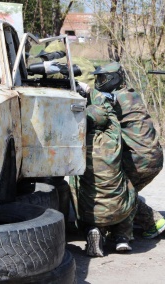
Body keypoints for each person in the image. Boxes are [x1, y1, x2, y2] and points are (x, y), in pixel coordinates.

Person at [89, 61, 165, 239]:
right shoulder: (130, 94)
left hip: (140, 159)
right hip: (151, 156)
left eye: (103, 78)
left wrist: (87, 92)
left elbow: (97, 112)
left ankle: (153, 222)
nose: (100, 81)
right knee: (126, 189)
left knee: (116, 190)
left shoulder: (120, 98)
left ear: (115, 79)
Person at [69, 89, 137, 257]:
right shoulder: (113, 139)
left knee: (75, 182)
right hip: (118, 210)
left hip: (91, 212)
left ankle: (92, 230)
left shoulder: (79, 144)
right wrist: (94, 93)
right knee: (130, 190)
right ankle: (122, 237)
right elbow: (111, 114)